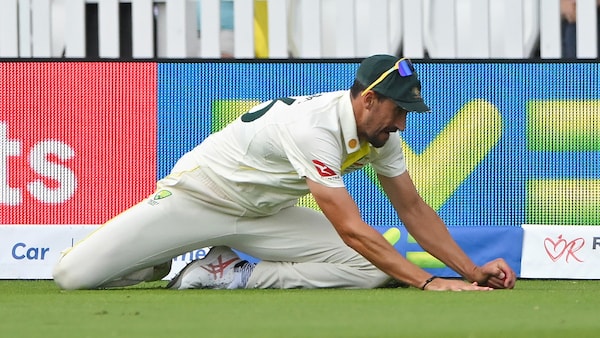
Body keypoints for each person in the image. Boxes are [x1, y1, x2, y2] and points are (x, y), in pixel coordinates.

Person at [52, 54, 516, 291]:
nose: (401, 124)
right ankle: (155, 258)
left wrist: (472, 272)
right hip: (198, 198)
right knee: (70, 277)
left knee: (372, 271)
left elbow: (413, 208)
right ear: (369, 99)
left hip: (265, 214)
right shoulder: (315, 129)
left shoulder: (381, 135)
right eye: (399, 110)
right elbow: (351, 228)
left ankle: (233, 273)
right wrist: (431, 283)